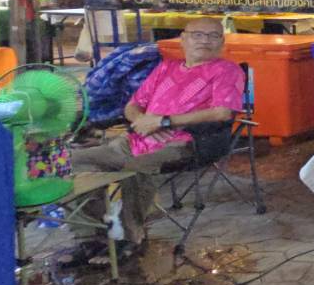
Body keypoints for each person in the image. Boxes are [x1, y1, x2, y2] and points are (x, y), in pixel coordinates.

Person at [67, 18, 244, 259]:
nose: (205, 40)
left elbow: (222, 112)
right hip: (137, 138)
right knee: (71, 162)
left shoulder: (227, 71)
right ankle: (93, 236)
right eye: (197, 34)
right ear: (183, 39)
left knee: (136, 166)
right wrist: (142, 121)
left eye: (213, 36)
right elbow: (132, 106)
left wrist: (164, 121)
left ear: (222, 42)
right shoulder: (165, 68)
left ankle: (132, 237)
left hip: (185, 142)